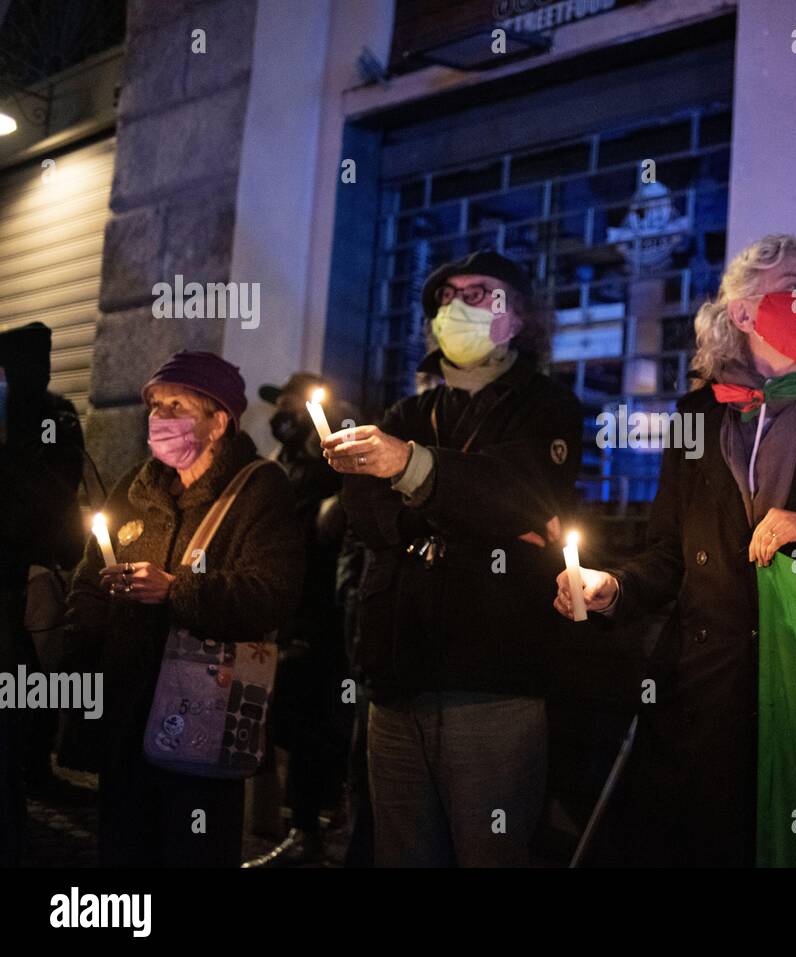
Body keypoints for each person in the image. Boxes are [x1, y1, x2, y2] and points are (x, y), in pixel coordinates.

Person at [553, 234, 796, 866]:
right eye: (794, 288)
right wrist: (612, 587)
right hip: (706, 691)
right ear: (743, 312)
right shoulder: (696, 417)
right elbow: (666, 555)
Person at [325, 250, 582, 867]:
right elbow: (365, 517)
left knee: (490, 852)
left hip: (493, 677)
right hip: (397, 671)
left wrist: (411, 470)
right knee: (402, 853)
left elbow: (521, 491)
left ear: (518, 318)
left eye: (481, 292)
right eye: (446, 295)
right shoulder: (407, 413)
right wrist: (475, 515)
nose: (458, 305)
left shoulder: (549, 407)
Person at [62, 351, 303, 866]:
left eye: (177, 404)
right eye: (155, 404)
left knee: (193, 848)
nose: (159, 416)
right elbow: (86, 583)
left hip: (204, 721)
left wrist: (176, 591)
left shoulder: (260, 490)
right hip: (126, 715)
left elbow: (270, 594)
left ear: (219, 421)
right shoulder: (136, 485)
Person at [242, 373, 352, 867]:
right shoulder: (273, 465)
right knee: (285, 721)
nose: (282, 411)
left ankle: (311, 829)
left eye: (293, 404)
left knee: (311, 725)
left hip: (320, 618)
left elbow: (329, 531)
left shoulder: (331, 467)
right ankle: (297, 824)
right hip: (279, 615)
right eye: (280, 403)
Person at [0, 322, 86, 863]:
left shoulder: (53, 414)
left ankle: (33, 770)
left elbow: (57, 487)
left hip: (32, 570)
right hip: (23, 569)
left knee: (32, 674)